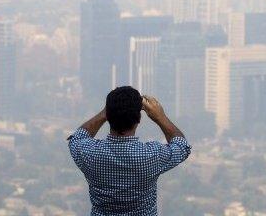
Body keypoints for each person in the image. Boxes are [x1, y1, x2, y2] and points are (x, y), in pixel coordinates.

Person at [67, 86, 191, 215]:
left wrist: (106, 111)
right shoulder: (151, 156)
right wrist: (160, 117)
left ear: (108, 116)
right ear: (139, 119)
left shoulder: (89, 153)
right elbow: (182, 147)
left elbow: (77, 138)